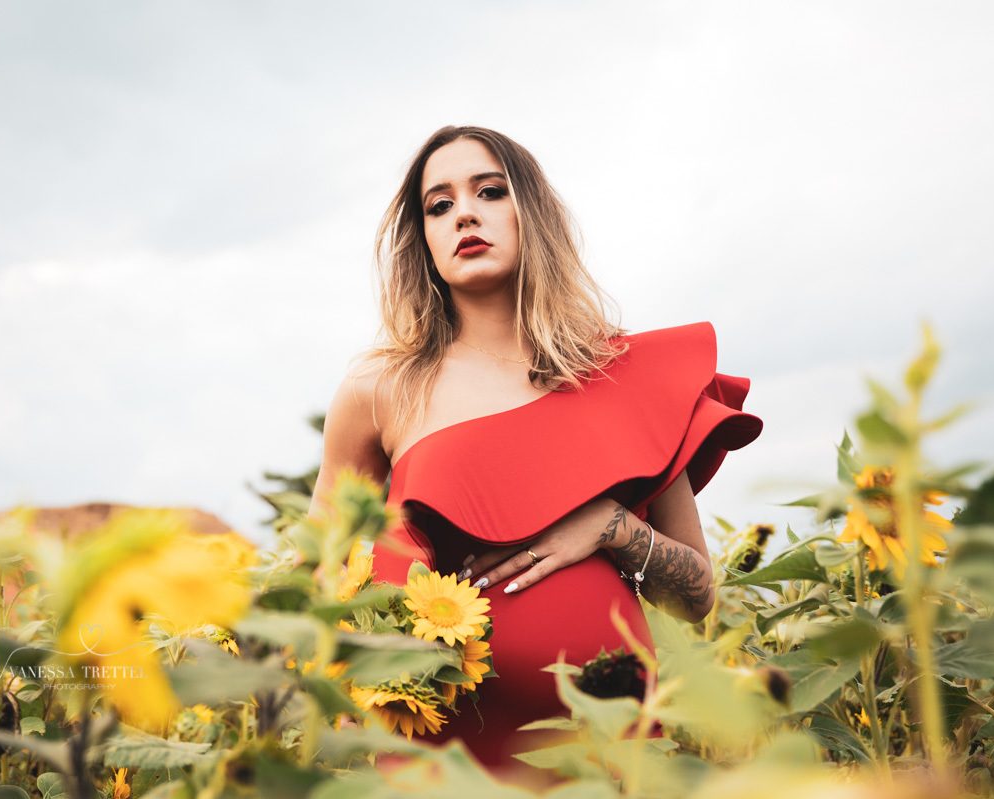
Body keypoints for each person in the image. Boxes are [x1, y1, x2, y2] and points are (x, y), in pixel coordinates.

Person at [309, 125, 762, 779]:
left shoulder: (624, 376)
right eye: (438, 205)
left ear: (531, 214)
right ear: (424, 240)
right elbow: (319, 570)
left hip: (606, 748)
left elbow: (696, 596)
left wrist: (611, 527)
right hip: (439, 747)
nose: (464, 212)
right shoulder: (379, 389)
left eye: (489, 191)